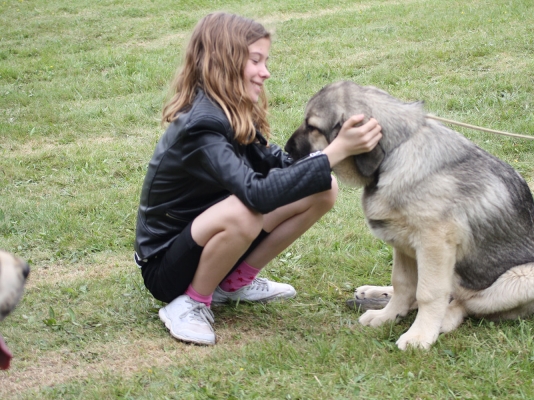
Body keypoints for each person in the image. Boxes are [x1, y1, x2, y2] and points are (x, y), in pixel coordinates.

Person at [134, 12, 382, 346]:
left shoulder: (231, 111)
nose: (265, 72)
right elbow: (257, 195)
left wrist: (337, 140)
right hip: (167, 266)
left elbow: (281, 164)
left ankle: (233, 282)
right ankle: (191, 302)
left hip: (209, 239)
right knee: (245, 211)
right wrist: (334, 153)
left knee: (323, 186)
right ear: (226, 60)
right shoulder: (201, 125)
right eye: (256, 60)